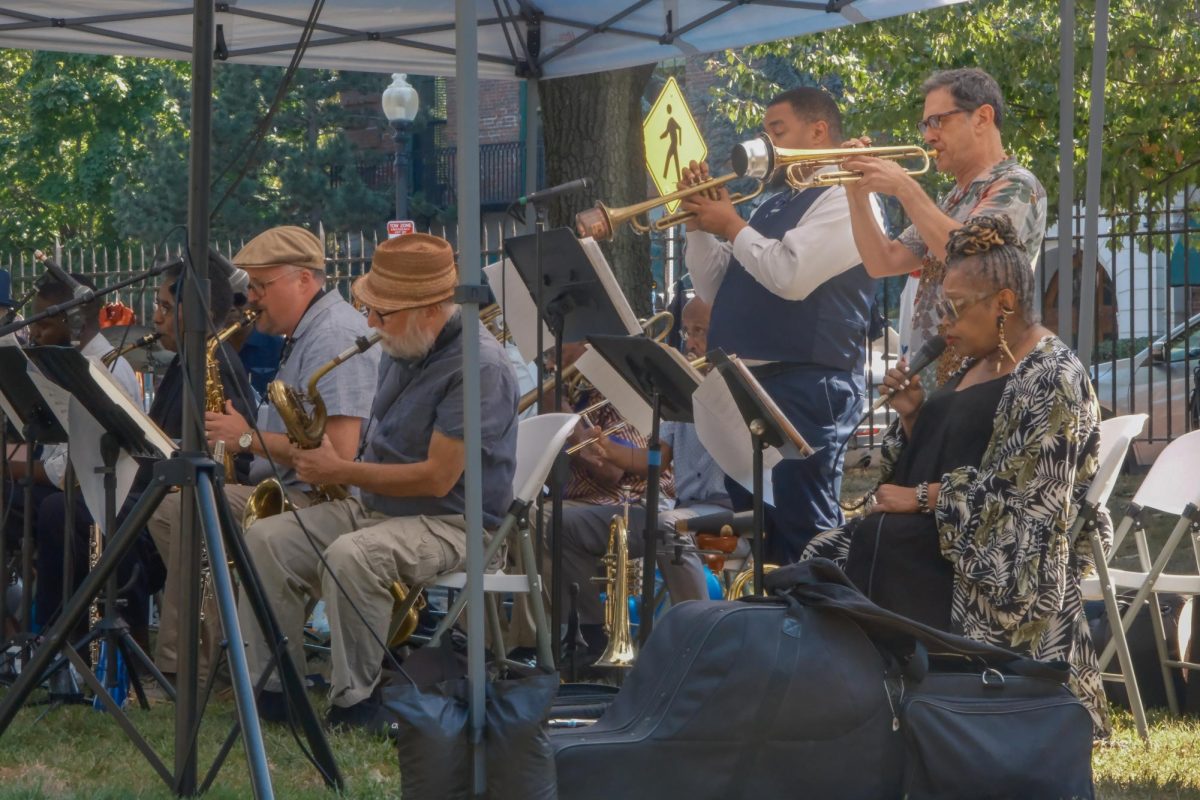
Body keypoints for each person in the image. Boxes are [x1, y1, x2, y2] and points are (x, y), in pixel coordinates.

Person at [803, 215, 1111, 736]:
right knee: (822, 558)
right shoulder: (968, 363)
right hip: (938, 540)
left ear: (1005, 304)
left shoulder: (1052, 375)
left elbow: (1026, 504)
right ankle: (847, 713)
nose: (944, 324)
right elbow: (939, 455)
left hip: (1000, 568)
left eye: (956, 307)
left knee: (880, 542)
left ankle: (887, 713)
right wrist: (913, 415)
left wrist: (920, 498)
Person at [241, 233, 518, 733]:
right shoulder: (406, 340)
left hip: (454, 522)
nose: (369, 323)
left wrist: (340, 471)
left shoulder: (479, 366)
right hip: (380, 508)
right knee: (266, 539)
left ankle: (357, 703)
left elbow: (437, 479)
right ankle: (278, 688)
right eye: (371, 308)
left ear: (430, 309)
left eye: (382, 313)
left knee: (353, 554)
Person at [147, 225, 378, 682]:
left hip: (328, 500)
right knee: (170, 510)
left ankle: (186, 669)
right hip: (289, 488)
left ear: (303, 281)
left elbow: (341, 454)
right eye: (250, 285)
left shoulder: (332, 336)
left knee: (190, 509)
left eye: (261, 286)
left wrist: (246, 438)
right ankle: (215, 650)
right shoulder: (307, 331)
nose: (251, 298)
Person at [679, 86, 877, 563]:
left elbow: (789, 276)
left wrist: (730, 225)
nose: (765, 145)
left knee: (804, 532)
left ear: (819, 131)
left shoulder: (844, 197)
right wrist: (698, 224)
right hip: (754, 387)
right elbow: (716, 286)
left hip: (808, 383)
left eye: (777, 131)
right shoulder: (773, 204)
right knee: (758, 530)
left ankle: (816, 631)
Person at [840, 67, 1046, 383]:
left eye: (939, 121)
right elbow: (883, 261)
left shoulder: (1015, 185)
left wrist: (905, 188)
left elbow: (976, 264)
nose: (928, 136)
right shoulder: (952, 199)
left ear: (982, 118)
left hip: (984, 375)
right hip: (939, 378)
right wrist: (855, 192)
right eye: (925, 124)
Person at [589, 296, 730, 606]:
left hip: (727, 505)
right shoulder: (680, 390)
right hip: (687, 506)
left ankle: (697, 626)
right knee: (576, 527)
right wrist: (610, 451)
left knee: (668, 524)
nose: (690, 343)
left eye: (700, 332)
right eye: (685, 333)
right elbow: (656, 461)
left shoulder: (734, 388)